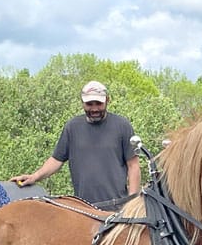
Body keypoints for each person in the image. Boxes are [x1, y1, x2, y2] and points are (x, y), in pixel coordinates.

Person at [12, 80, 140, 208]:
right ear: (82, 102)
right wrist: (34, 177)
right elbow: (56, 160)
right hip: (83, 209)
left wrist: (132, 202)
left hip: (117, 208)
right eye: (89, 104)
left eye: (99, 103)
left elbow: (133, 166)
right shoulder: (72, 127)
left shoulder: (122, 126)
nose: (94, 109)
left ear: (107, 100)